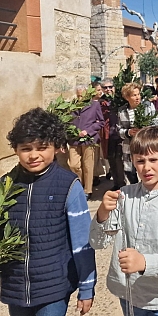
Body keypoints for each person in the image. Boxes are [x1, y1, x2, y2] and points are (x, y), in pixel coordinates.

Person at [2, 107, 96, 315]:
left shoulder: (68, 185)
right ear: (15, 149)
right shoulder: (5, 186)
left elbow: (82, 241)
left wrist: (87, 287)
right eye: (26, 148)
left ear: (56, 148)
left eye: (42, 147)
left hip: (53, 289)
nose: (33, 155)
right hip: (15, 287)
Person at [89, 126, 158, 316]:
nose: (147, 167)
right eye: (140, 161)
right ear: (133, 162)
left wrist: (144, 262)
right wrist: (103, 213)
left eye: (153, 160)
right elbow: (98, 242)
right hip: (129, 295)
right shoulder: (125, 196)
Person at [69, 84, 105, 199]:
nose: (80, 98)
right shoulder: (72, 106)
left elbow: (100, 122)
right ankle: (79, 185)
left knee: (88, 165)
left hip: (89, 140)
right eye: (78, 96)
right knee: (74, 165)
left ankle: (87, 190)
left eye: (82, 96)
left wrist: (88, 131)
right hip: (74, 140)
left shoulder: (94, 105)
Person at [118, 82, 157, 183]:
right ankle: (136, 189)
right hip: (129, 146)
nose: (137, 97)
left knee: (147, 169)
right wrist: (128, 132)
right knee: (129, 170)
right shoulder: (122, 111)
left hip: (146, 145)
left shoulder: (148, 106)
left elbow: (156, 124)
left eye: (138, 94)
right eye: (134, 95)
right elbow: (119, 130)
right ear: (127, 97)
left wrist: (145, 130)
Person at [100, 78, 125, 191]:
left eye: (110, 87)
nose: (108, 89)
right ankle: (116, 182)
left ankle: (122, 183)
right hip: (107, 135)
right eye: (105, 87)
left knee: (119, 159)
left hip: (120, 134)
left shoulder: (120, 100)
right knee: (111, 159)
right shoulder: (101, 102)